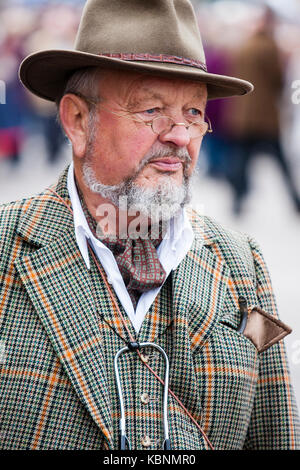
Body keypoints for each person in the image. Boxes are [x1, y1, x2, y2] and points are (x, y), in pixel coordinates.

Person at [0, 0, 299, 450]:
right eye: (151, 110)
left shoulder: (242, 262)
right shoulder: (7, 247)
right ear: (78, 121)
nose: (179, 135)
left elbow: (276, 436)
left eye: (194, 114)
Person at [227, 6, 300, 215]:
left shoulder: (244, 45)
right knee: (282, 164)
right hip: (266, 117)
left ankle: (237, 202)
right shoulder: (269, 47)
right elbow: (279, 81)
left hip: (244, 114)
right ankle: (296, 203)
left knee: (241, 162)